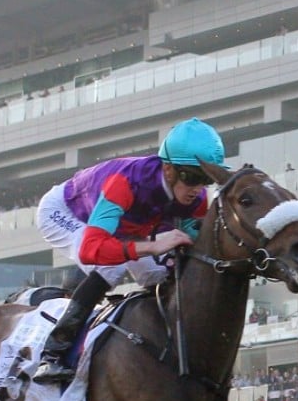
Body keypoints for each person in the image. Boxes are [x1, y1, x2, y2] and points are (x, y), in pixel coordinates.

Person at [32, 118, 225, 383]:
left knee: (159, 274)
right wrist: (152, 246)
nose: (198, 188)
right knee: (110, 267)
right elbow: (92, 249)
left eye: (206, 179)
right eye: (192, 178)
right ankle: (53, 353)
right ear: (168, 169)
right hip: (67, 213)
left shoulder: (197, 198)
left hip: (125, 224)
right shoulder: (124, 182)